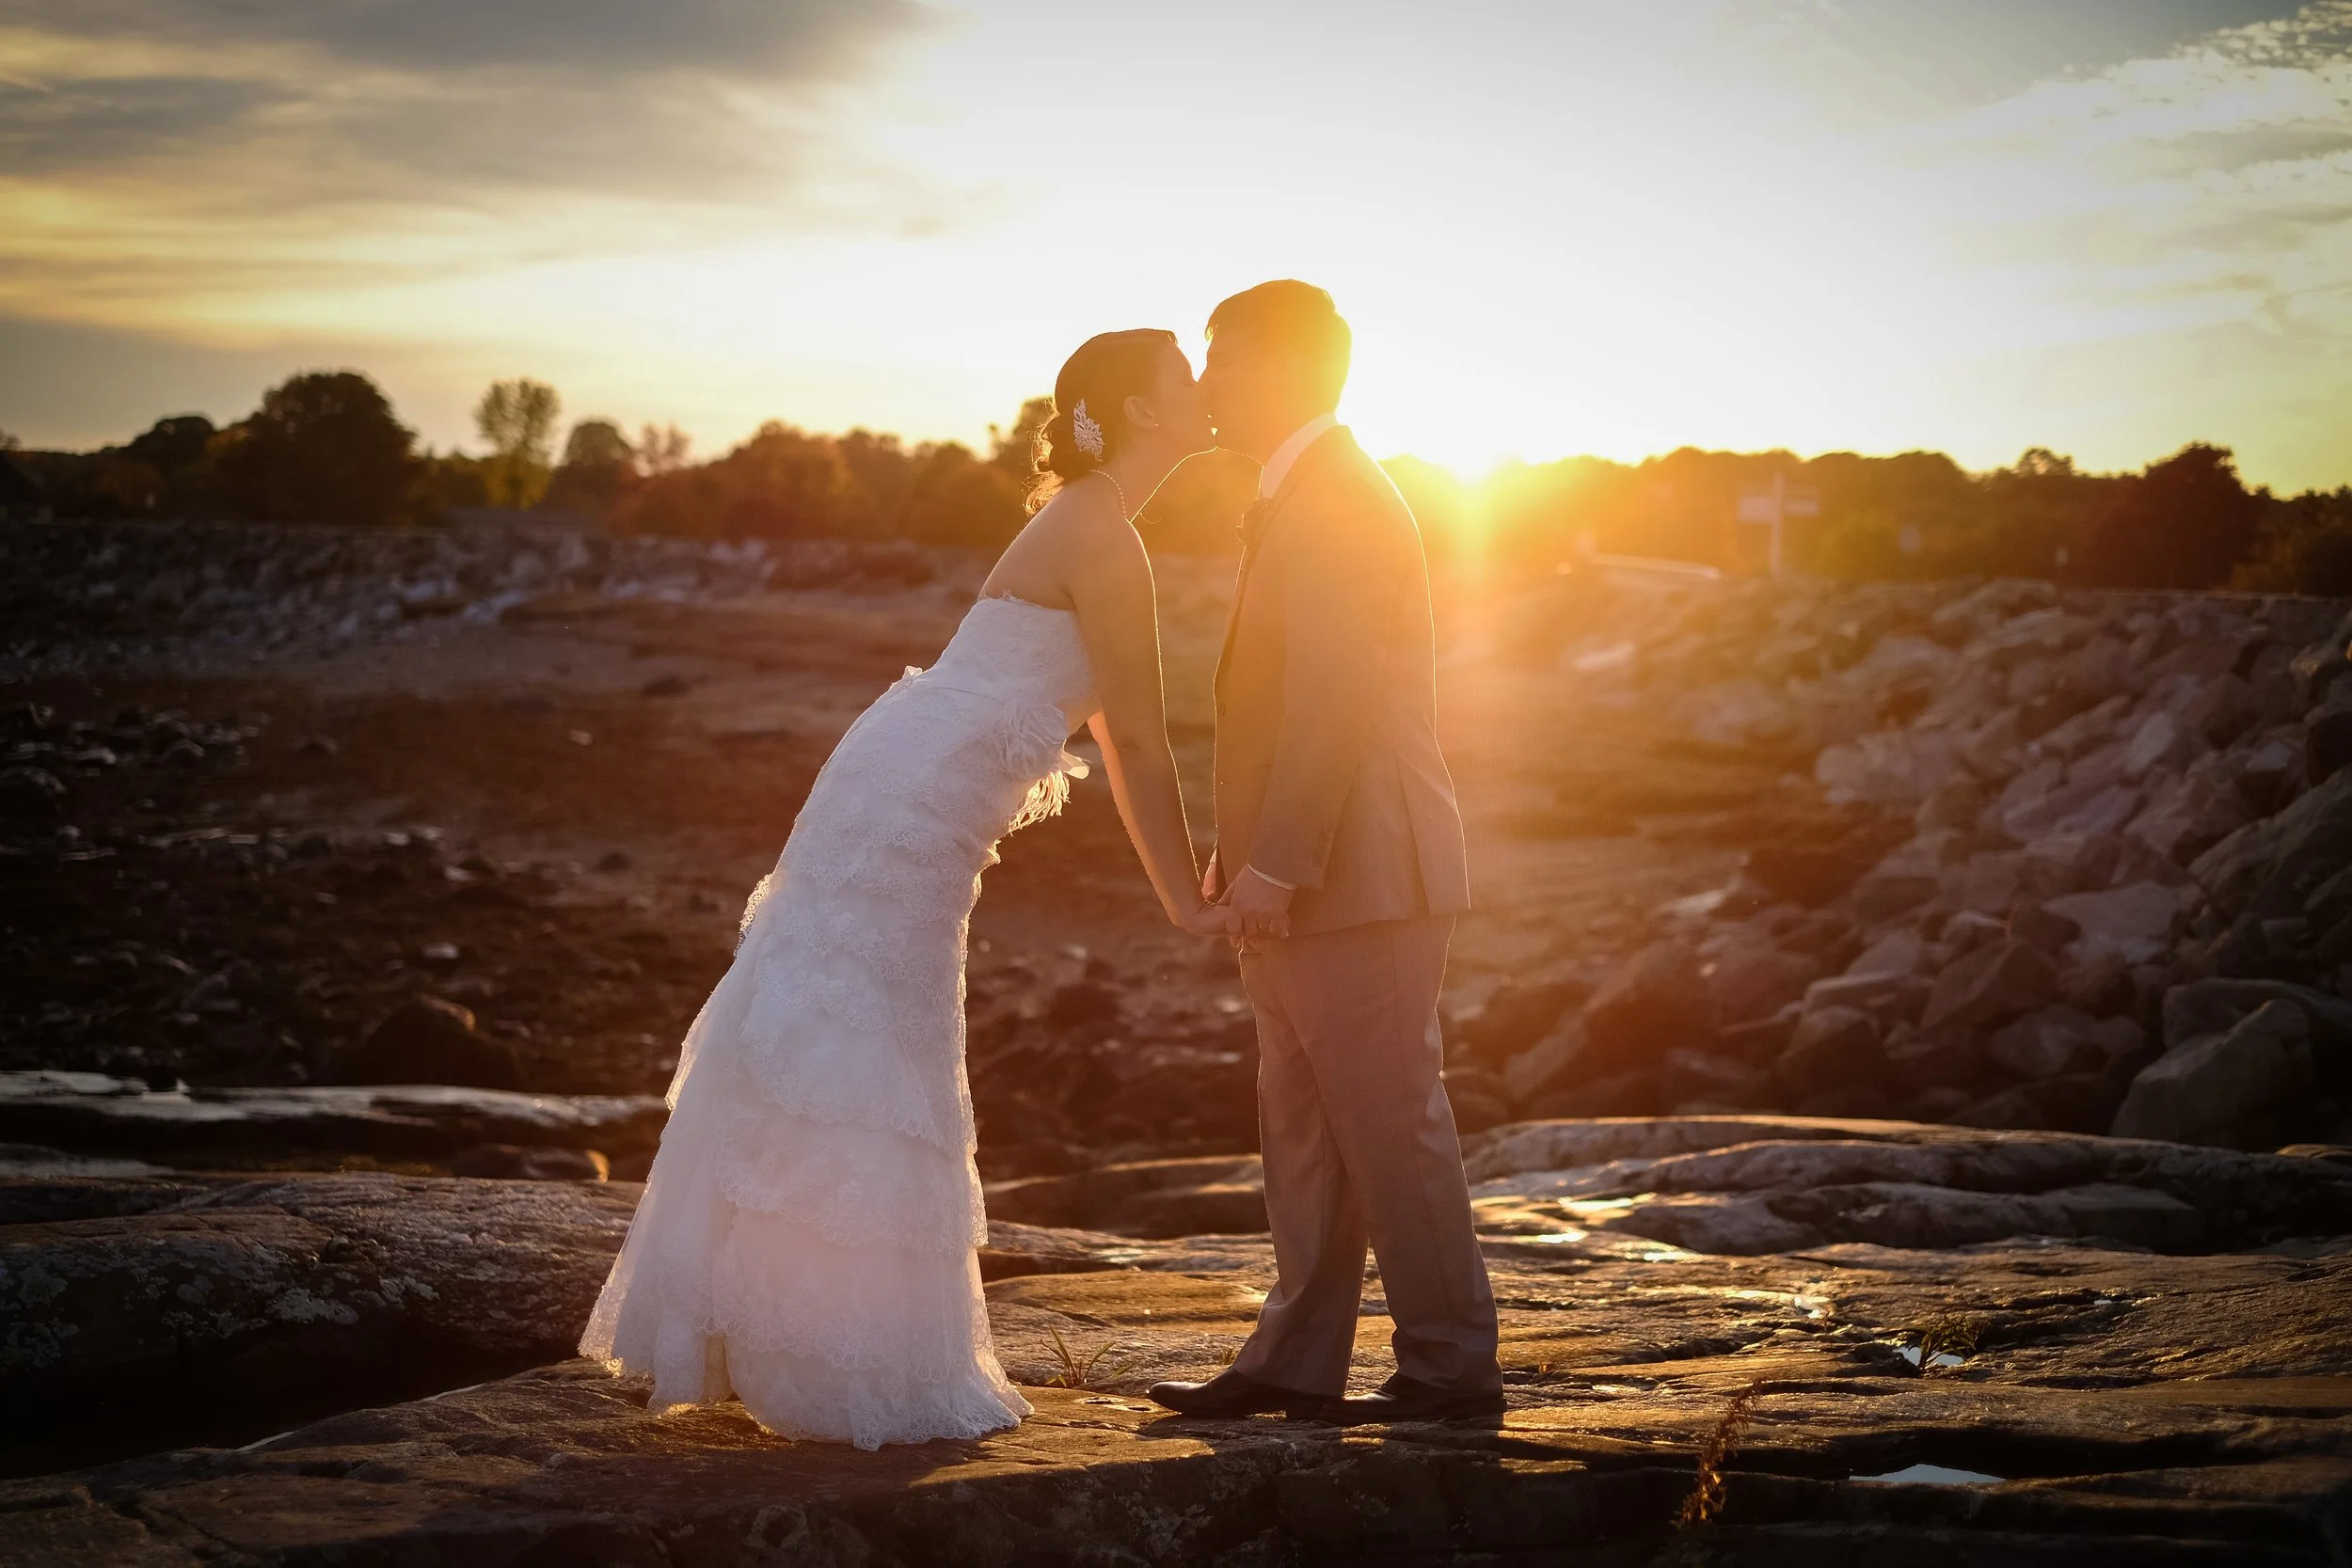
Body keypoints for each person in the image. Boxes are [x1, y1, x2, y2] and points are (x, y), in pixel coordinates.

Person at [580, 328, 1225, 1449]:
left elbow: (1127, 739)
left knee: (875, 1019)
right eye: (1186, 375)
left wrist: (1179, 882)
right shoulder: (1103, 534)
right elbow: (1143, 746)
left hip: (906, 775)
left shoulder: (1101, 526)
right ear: (1135, 407)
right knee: (860, 1025)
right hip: (906, 797)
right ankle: (823, 1349)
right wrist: (1184, 898)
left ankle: (809, 1330)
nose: (1205, 388)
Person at [1148, 280, 1502, 1424]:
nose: (1202, 384)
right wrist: (1242, 856)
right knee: (1300, 1126)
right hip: (1304, 876)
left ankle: (1450, 1370)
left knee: (1390, 1124)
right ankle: (1294, 1360)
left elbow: (1333, 705)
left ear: (1284, 368)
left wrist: (1277, 862)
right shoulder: (1296, 492)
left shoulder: (1342, 497)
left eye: (1220, 359)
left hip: (1362, 874)